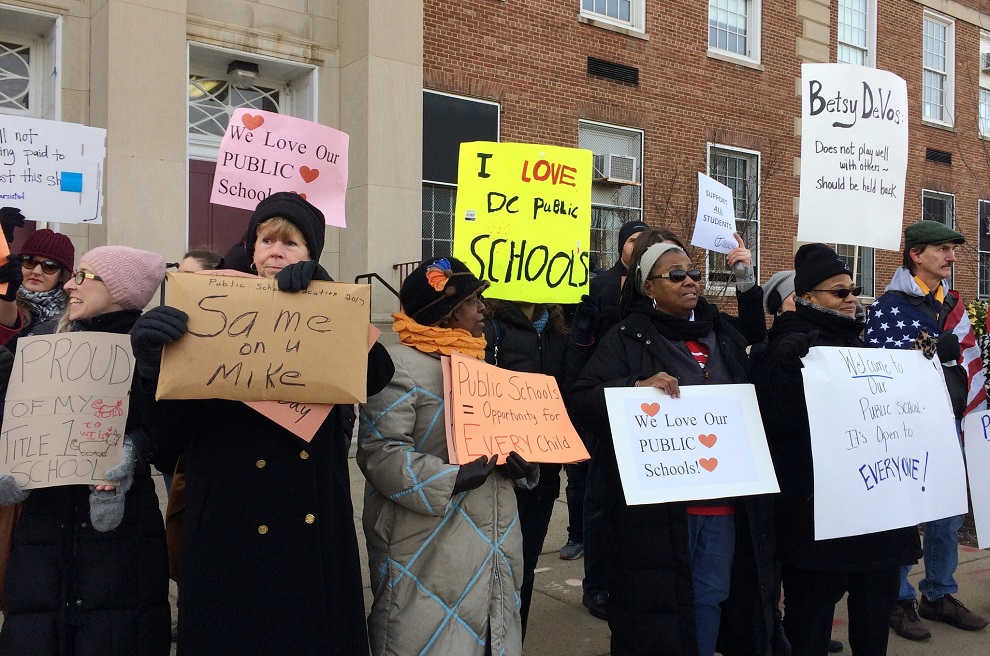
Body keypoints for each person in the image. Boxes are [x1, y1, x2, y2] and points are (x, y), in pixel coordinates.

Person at [129, 192, 394, 655]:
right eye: (266, 239)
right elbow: (167, 437)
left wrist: (328, 299)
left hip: (309, 526)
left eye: (291, 243)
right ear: (250, 249)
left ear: (311, 255)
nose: (276, 250)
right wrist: (153, 366)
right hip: (227, 527)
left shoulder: (328, 307)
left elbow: (376, 375)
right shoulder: (211, 309)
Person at [571, 242, 775, 656]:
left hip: (723, 503)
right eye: (676, 275)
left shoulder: (719, 331)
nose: (690, 281)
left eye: (694, 274)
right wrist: (633, 391)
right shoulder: (628, 337)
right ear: (649, 287)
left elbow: (758, 341)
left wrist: (744, 279)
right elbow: (581, 398)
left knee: (710, 597)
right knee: (656, 609)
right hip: (659, 512)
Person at [358, 257, 537, 656]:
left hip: (494, 533)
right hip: (426, 544)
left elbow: (506, 435)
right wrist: (449, 478)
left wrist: (523, 463)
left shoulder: (482, 362)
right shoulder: (396, 365)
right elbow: (379, 452)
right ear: (447, 312)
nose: (483, 310)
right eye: (475, 301)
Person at [0, 245, 172, 656]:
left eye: (85, 276)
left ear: (121, 289)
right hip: (44, 528)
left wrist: (131, 453)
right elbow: (18, 421)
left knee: (115, 632)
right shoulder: (40, 341)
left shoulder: (151, 347)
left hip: (121, 532)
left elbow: (167, 434)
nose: (71, 284)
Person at [755, 243, 921, 656]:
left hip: (874, 516)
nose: (853, 299)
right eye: (840, 292)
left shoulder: (863, 344)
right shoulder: (788, 346)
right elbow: (777, 418)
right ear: (807, 297)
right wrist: (789, 372)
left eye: (855, 288)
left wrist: (932, 365)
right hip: (818, 522)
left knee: (874, 616)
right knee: (809, 624)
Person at [865, 221, 989, 640]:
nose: (951, 258)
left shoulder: (949, 303)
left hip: (948, 420)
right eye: (942, 249)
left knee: (948, 513)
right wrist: (935, 347)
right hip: (907, 425)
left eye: (953, 250)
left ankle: (937, 594)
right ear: (916, 254)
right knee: (907, 511)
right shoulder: (890, 305)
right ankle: (897, 600)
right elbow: (881, 360)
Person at [483, 298, 576, 638]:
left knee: (524, 566)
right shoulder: (489, 330)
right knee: (493, 570)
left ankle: (513, 642)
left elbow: (571, 394)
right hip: (496, 474)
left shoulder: (561, 332)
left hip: (543, 475)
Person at [0, 227, 75, 348]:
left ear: (62, 275)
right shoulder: (5, 301)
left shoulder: (74, 313)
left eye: (50, 266)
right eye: (29, 261)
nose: (37, 271)